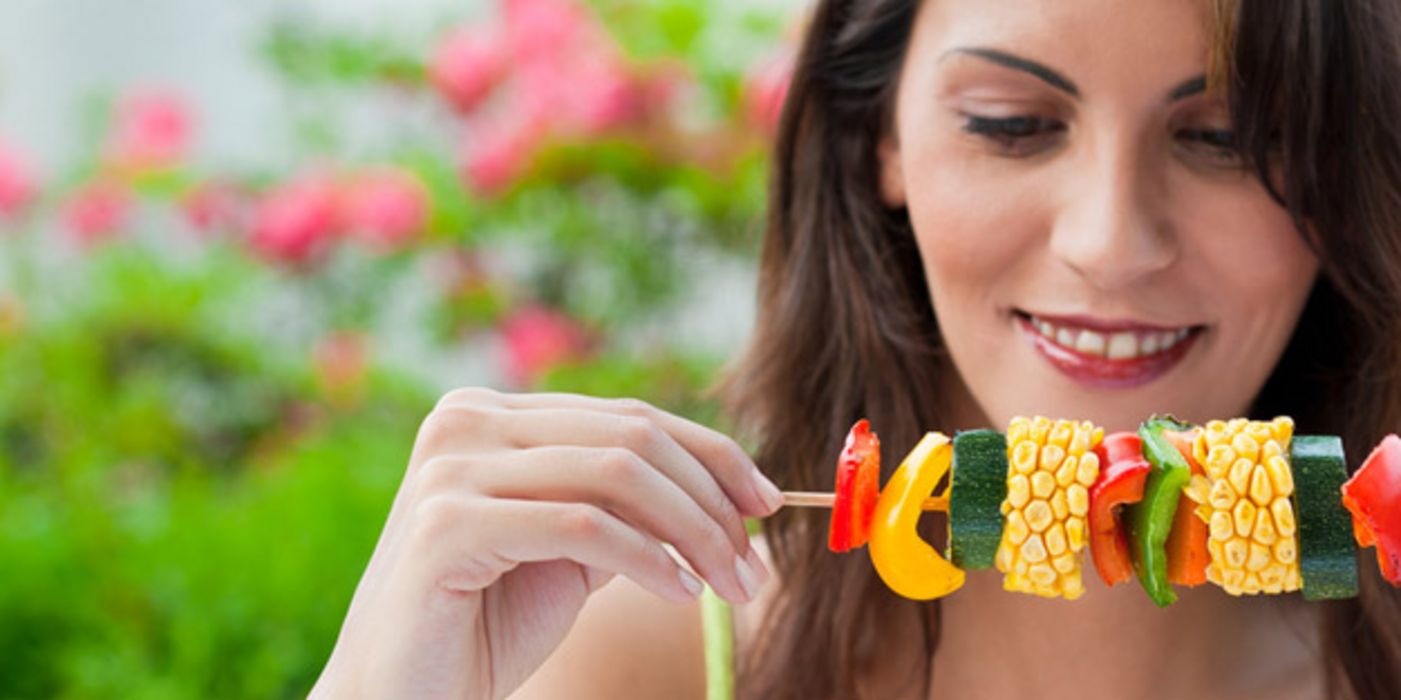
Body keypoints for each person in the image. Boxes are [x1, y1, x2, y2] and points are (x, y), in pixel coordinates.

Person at [310, 0, 1401, 697]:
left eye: (1226, 138)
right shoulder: (628, 656)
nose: (1111, 245)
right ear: (879, 135)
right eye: (1012, 123)